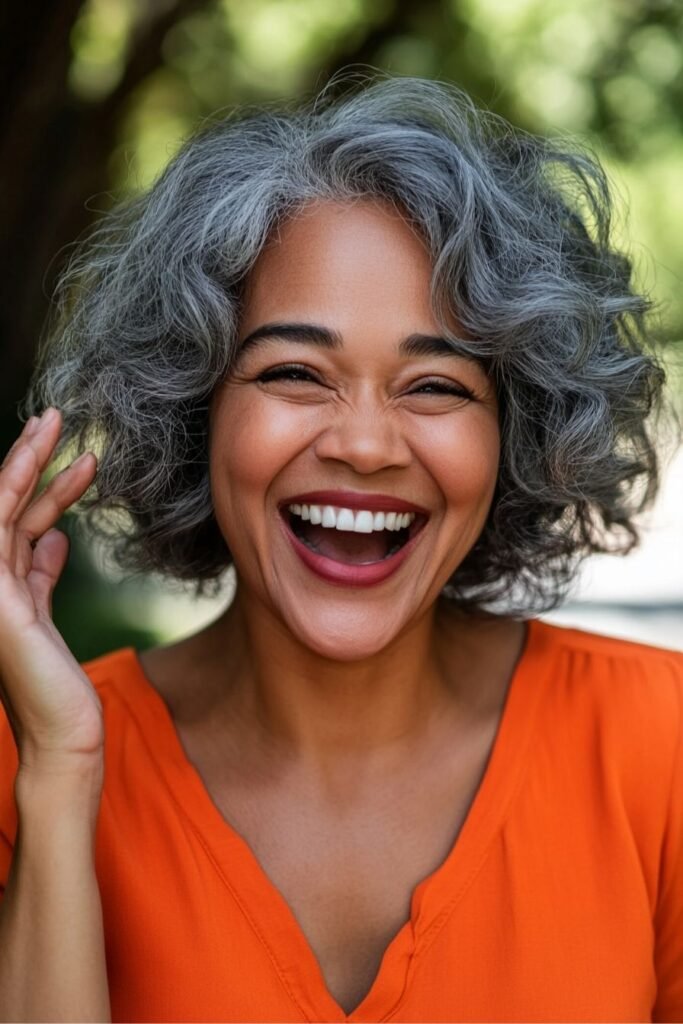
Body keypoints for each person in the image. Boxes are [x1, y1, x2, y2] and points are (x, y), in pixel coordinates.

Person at [0, 72, 681, 1023]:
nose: (364, 444)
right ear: (194, 410)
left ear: (516, 433)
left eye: (435, 386)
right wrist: (63, 774)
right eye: (294, 373)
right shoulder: (28, 771)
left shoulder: (660, 748)